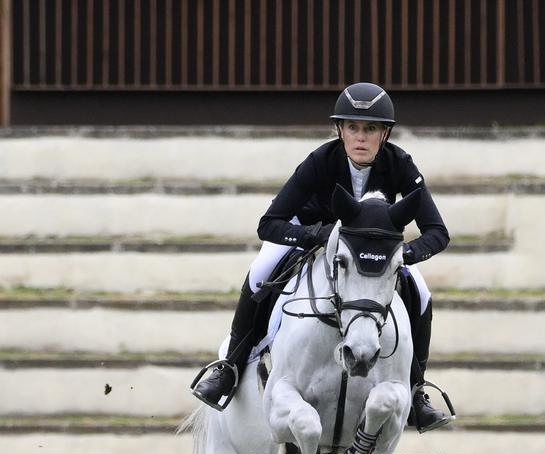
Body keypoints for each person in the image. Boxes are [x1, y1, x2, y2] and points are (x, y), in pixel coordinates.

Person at [192, 82, 451, 431]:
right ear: (340, 130)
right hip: (310, 235)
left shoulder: (400, 163)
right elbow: (269, 224)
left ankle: (417, 390)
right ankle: (230, 367)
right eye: (353, 128)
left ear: (385, 133)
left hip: (373, 253)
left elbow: (437, 231)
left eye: (370, 129)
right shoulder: (320, 161)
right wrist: (315, 234)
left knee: (421, 294)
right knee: (260, 271)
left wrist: (404, 253)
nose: (361, 137)